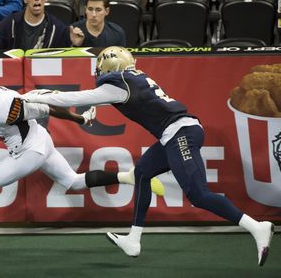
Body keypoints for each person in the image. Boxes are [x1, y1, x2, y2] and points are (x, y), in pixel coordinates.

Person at [24, 46, 275, 266]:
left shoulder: (116, 85)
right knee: (142, 173)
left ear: (109, 67)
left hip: (180, 133)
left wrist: (34, 96)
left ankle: (256, 227)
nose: (98, 74)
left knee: (198, 195)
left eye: (100, 69)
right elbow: (98, 100)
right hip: (176, 133)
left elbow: (78, 97)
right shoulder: (133, 77)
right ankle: (133, 240)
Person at [0, 70, 165, 250]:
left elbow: (48, 108)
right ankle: (130, 176)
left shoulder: (10, 107)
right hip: (38, 142)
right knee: (73, 182)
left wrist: (79, 120)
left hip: (30, 151)